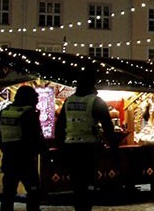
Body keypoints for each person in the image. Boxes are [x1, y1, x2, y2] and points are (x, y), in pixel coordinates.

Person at [54, 69, 116, 211]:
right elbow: (108, 126)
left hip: (70, 147)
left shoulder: (69, 101)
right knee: (88, 184)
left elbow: (60, 126)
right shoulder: (96, 102)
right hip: (88, 148)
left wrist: (60, 147)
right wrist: (112, 148)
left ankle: (79, 207)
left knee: (76, 185)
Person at [0, 85, 46, 211]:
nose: (37, 100)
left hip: (9, 158)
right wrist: (40, 150)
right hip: (25, 160)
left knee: (8, 193)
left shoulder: (5, 112)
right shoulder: (28, 113)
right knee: (33, 190)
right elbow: (34, 136)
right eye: (35, 97)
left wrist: (4, 146)